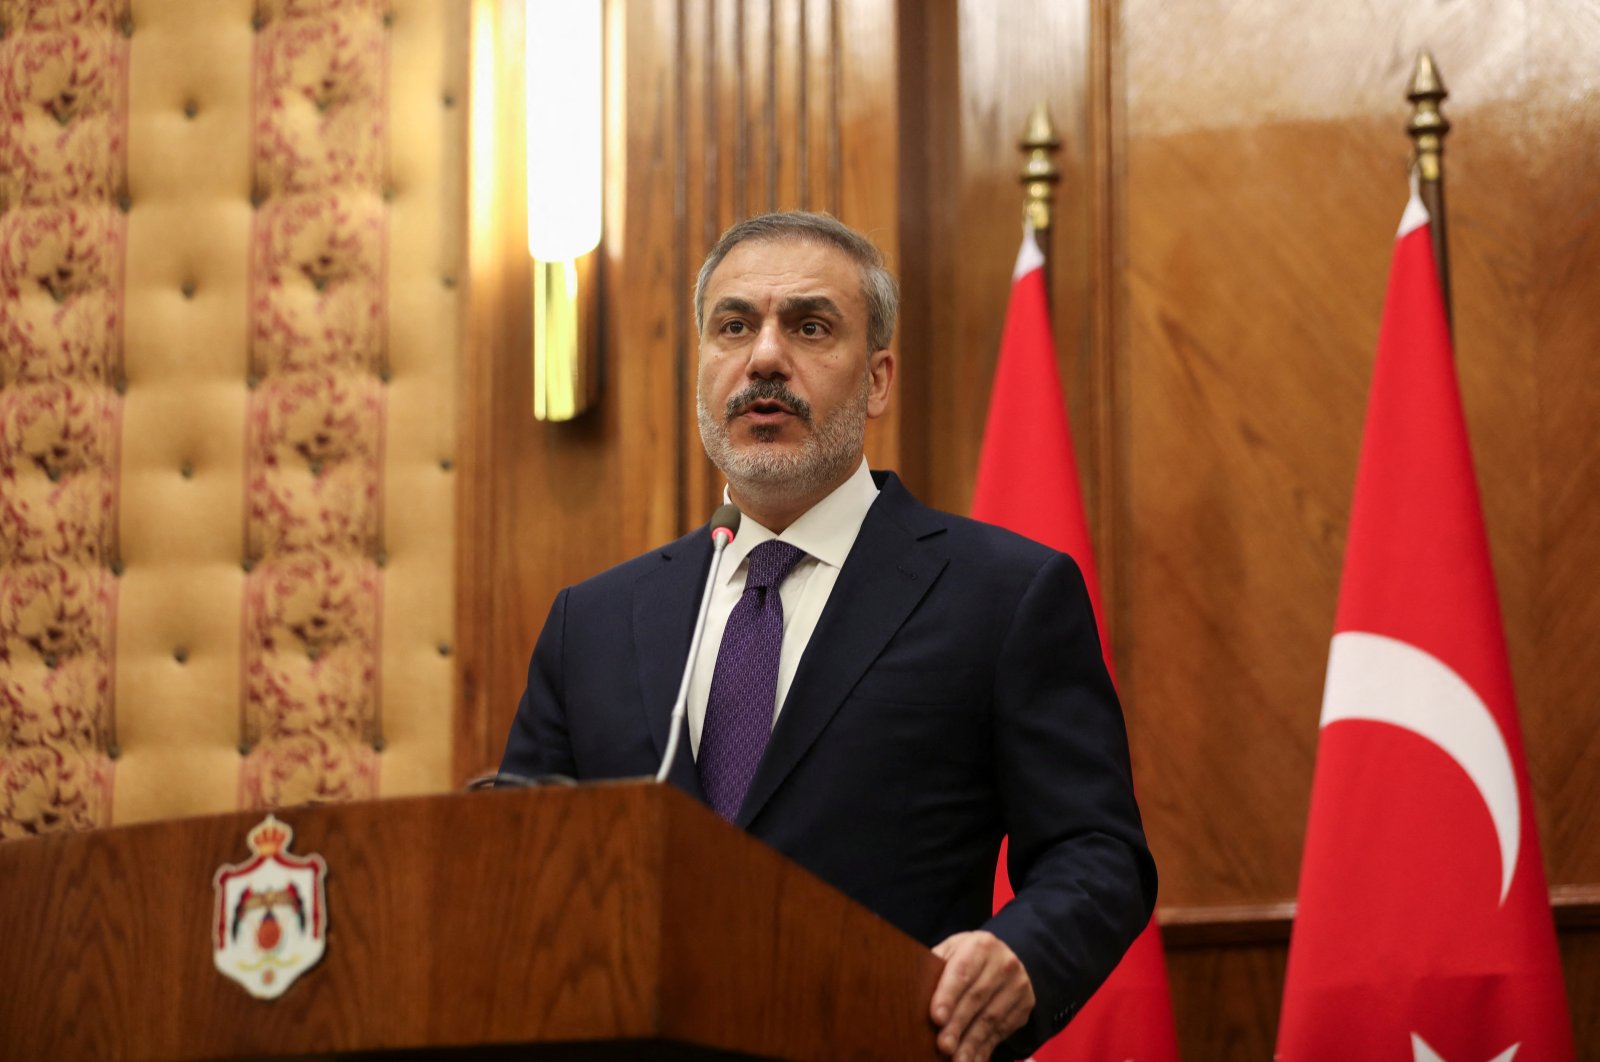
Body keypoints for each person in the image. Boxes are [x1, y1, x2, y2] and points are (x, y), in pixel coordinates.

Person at [501, 211, 1155, 1061]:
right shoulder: (590, 622)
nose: (764, 358)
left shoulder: (1002, 594)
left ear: (878, 380)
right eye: (733, 326)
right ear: (702, 366)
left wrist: (1019, 954)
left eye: (809, 327)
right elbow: (517, 866)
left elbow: (1096, 850)